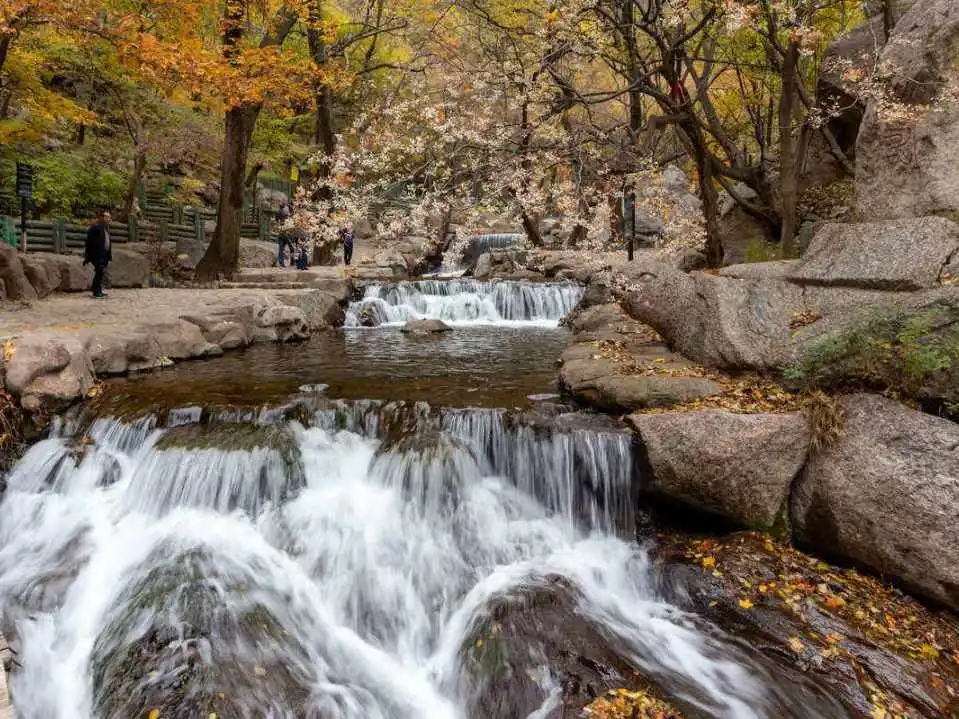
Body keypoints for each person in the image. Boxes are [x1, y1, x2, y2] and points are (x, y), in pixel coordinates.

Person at [84, 209, 112, 299]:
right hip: (98, 254)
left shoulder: (105, 228)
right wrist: (90, 253)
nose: (108, 219)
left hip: (104, 254)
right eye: (106, 217)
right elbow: (89, 241)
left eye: (109, 217)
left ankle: (97, 290)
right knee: (99, 271)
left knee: (100, 273)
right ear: (102, 217)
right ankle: (96, 292)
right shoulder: (96, 227)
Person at [275, 199, 293, 266]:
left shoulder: (277, 212)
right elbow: (289, 222)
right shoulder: (286, 213)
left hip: (280, 232)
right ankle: (293, 261)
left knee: (281, 248)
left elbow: (276, 221)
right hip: (286, 233)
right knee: (292, 247)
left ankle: (281, 262)